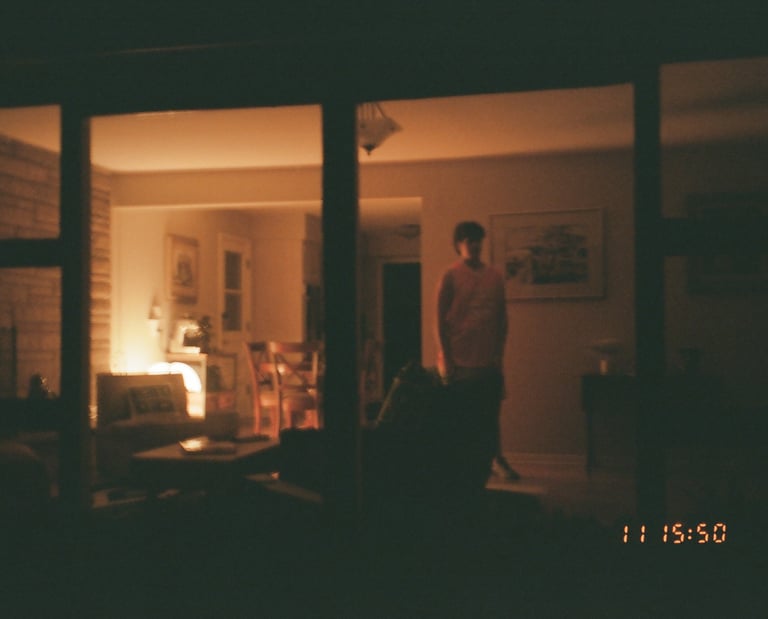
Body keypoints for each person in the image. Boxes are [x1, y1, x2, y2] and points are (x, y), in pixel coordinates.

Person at [436, 221, 520, 484]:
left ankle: (496, 459)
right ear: (458, 244)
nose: (473, 245)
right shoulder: (450, 275)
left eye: (477, 240)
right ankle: (462, 466)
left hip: (488, 359)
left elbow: (502, 318)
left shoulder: (495, 276)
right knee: (461, 415)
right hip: (459, 359)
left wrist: (499, 354)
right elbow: (438, 320)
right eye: (468, 240)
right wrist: (447, 358)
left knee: (490, 414)